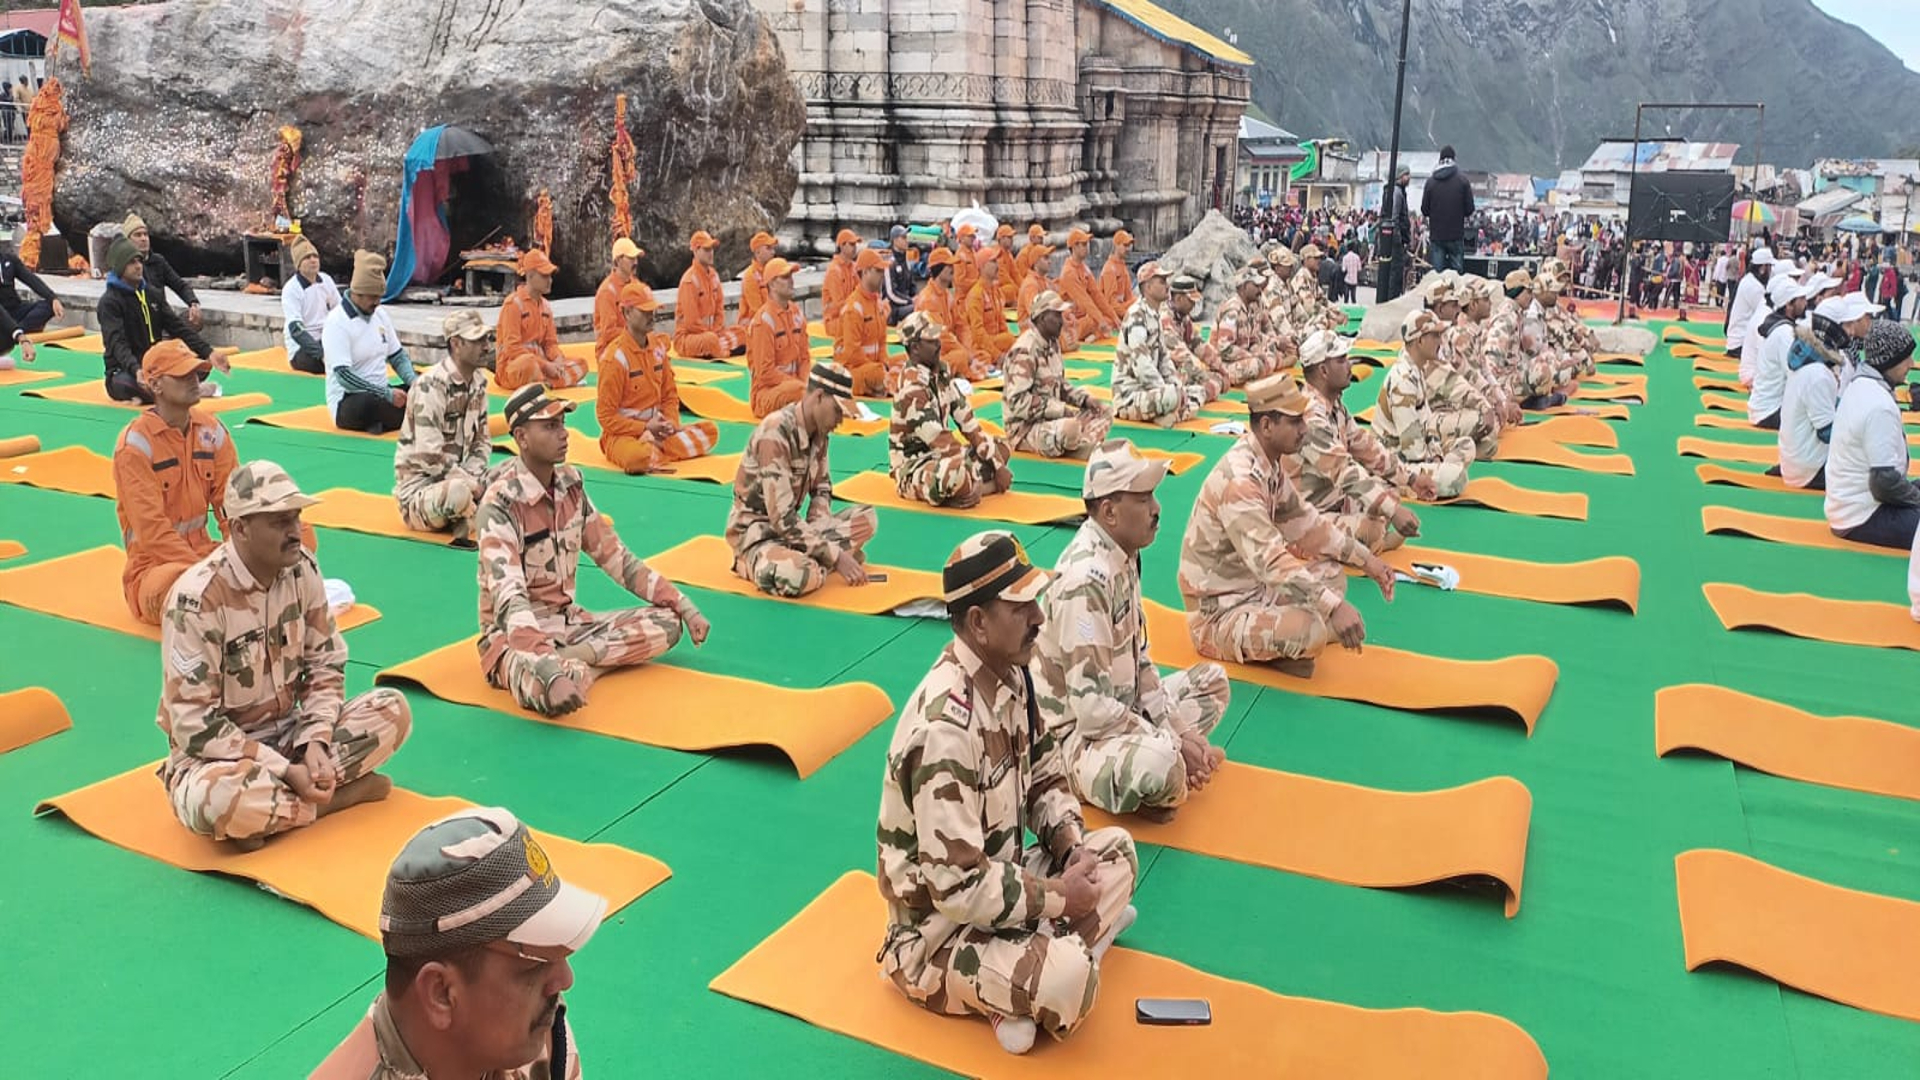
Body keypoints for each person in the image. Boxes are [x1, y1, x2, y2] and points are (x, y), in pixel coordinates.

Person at [876, 530, 1139, 1055]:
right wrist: (1065, 897)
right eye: (1021, 607)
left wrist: (1071, 847)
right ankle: (1053, 964)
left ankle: (1027, 977)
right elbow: (959, 890)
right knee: (1070, 982)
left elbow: (1045, 776)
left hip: (1006, 885)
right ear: (978, 623)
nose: (1038, 617)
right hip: (937, 936)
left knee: (1117, 854)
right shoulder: (944, 731)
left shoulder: (1013, 676)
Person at [157, 461, 411, 850]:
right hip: (220, 760)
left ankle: (276, 813)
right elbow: (193, 723)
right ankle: (331, 801)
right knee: (215, 801)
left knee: (392, 710)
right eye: (279, 522)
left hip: (290, 736)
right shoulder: (199, 600)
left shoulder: (300, 568)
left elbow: (326, 664)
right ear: (239, 528)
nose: (295, 532)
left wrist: (315, 743)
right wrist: (283, 769)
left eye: (296, 518)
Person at [310, 806, 603, 1080]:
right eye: (532, 966)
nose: (564, 979)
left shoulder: (536, 1034)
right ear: (441, 992)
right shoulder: (518, 1029)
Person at [477, 384, 712, 716]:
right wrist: (548, 670)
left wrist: (682, 604)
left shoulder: (570, 487)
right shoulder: (499, 506)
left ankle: (582, 661)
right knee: (548, 689)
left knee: (669, 622)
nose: (564, 434)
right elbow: (509, 600)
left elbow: (619, 560)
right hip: (513, 638)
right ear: (521, 437)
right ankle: (573, 668)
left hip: (570, 625)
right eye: (550, 426)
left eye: (562, 424)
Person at [1035, 439, 1230, 822]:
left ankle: (1167, 763)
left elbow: (1140, 659)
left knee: (1213, 682)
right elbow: (1090, 712)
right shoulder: (1085, 580)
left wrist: (1174, 727)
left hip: (1122, 708)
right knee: (1162, 762)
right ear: (1109, 511)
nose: (1156, 509)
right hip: (1075, 740)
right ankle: (1158, 771)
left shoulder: (1123, 554)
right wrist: (1171, 741)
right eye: (1142, 499)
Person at [1178, 375, 1395, 677]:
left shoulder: (1268, 464)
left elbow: (1307, 524)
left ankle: (1288, 644)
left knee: (1332, 576)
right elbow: (1271, 561)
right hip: (1220, 614)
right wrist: (1333, 608)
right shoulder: (1240, 482)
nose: (1304, 429)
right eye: (1295, 422)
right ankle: (1291, 645)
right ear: (1267, 426)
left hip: (1255, 590)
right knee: (1309, 628)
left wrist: (1367, 560)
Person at [726, 363, 878, 597]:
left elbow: (822, 489)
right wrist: (835, 556)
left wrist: (818, 525)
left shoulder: (820, 432)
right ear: (818, 397)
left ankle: (809, 555)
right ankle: (754, 564)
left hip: (795, 532)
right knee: (800, 574)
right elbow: (782, 519)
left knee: (867, 518)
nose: (840, 421)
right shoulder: (775, 433)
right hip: (760, 535)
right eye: (837, 411)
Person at [112, 341, 238, 624]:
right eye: (182, 375)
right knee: (179, 588)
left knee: (292, 538)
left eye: (195, 373)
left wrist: (245, 555)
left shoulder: (212, 431)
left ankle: (234, 596)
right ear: (155, 385)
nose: (194, 380)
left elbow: (234, 506)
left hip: (207, 553)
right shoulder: (135, 445)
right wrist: (207, 571)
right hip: (155, 568)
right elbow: (152, 532)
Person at [1289, 330, 1429, 551]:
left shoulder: (1334, 406)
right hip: (1306, 514)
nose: (1349, 365)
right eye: (1342, 360)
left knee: (1387, 493)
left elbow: (1367, 447)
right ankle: (1370, 541)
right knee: (1371, 528)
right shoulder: (1310, 418)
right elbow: (1344, 470)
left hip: (1333, 500)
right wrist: (1392, 511)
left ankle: (1369, 538)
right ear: (1323, 370)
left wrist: (1410, 479)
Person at [889, 311, 1012, 507]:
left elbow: (969, 424)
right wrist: (977, 474)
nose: (938, 344)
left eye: (937, 338)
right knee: (955, 471)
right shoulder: (912, 390)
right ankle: (978, 487)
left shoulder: (940, 375)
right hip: (916, 466)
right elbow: (942, 442)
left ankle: (969, 489)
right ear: (915, 348)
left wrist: (996, 464)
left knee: (999, 447)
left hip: (942, 456)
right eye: (931, 340)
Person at [394, 311, 494, 546]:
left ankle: (470, 513)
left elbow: (483, 442)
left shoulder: (478, 383)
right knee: (459, 493)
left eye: (486, 340)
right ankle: (472, 512)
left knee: (516, 473)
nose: (486, 347)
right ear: (456, 344)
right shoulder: (431, 386)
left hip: (464, 477)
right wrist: (472, 486)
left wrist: (475, 478)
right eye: (478, 340)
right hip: (422, 491)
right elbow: (430, 457)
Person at [597, 281, 719, 473]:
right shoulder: (615, 359)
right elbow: (605, 417)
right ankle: (652, 450)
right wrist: (644, 427)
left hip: (658, 430)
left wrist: (671, 423)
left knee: (711, 432)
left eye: (652, 310)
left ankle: (655, 448)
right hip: (623, 435)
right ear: (626, 313)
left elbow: (669, 395)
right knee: (636, 459)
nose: (651, 316)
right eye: (644, 311)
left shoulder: (658, 347)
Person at [1825, 318, 1920, 550]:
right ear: (1890, 359)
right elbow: (1883, 483)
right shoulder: (1879, 405)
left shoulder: (1860, 385)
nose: (1911, 364)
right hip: (1863, 515)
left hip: (1851, 506)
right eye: (1906, 357)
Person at [98, 237, 220, 404]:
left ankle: (164, 391)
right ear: (120, 268)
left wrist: (209, 352)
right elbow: (117, 344)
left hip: (155, 366)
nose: (138, 266)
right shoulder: (110, 303)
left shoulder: (152, 294)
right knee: (128, 383)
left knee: (199, 364)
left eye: (139, 261)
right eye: (131, 262)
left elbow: (177, 328)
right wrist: (136, 369)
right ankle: (185, 390)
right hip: (125, 371)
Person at [1373, 309, 1476, 498]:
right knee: (1456, 477)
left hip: (1418, 454)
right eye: (1435, 336)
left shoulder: (1417, 371)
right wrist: (1434, 462)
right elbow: (1412, 449)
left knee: (1467, 445)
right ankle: (1402, 486)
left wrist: (1436, 454)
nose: (1440, 341)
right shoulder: (1402, 380)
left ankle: (1436, 472)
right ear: (1420, 341)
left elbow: (1427, 423)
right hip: (1397, 461)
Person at [1776, 293, 1873, 490]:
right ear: (1834, 330)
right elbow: (1828, 432)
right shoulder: (1818, 374)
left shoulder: (1812, 363)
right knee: (1874, 478)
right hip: (1808, 469)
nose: (1851, 331)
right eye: (1847, 326)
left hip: (1799, 461)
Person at [1002, 290, 1111, 459]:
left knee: (1103, 411)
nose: (1062, 321)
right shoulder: (1024, 351)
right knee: (1070, 428)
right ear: (1041, 318)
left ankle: (1077, 443)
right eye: (1057, 316)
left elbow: (1060, 385)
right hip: (1025, 428)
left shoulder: (1052, 344)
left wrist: (1085, 400)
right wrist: (1060, 410)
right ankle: (1079, 442)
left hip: (1052, 420)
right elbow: (1018, 402)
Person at [323, 250, 417, 434]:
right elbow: (344, 376)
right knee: (370, 403)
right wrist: (386, 394)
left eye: (379, 297)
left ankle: (402, 416)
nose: (377, 302)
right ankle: (420, 416)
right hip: (350, 400)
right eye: (373, 297)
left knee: (426, 385)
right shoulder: (337, 322)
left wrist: (414, 382)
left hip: (383, 392)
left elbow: (397, 356)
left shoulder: (380, 315)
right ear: (358, 293)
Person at [1112, 262, 1204, 427]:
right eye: (1161, 282)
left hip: (1153, 392)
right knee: (1175, 396)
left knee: (1198, 391)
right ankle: (1173, 412)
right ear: (1147, 287)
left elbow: (1164, 359)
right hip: (1131, 395)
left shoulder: (1154, 316)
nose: (1167, 286)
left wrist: (1175, 384)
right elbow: (1142, 367)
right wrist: (1167, 390)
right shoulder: (1136, 316)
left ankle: (1168, 414)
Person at [1421, 276, 1500, 457]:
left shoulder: (1445, 336)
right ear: (1441, 308)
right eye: (1454, 305)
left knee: (1489, 443)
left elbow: (1468, 371)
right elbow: (1450, 382)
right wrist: (1485, 405)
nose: (1459, 309)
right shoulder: (1427, 338)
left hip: (1447, 408)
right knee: (1483, 420)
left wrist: (1493, 398)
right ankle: (1437, 447)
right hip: (1427, 414)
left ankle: (1446, 446)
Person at [496, 249, 582, 391]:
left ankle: (544, 384)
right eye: (544, 276)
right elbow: (512, 349)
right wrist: (545, 365)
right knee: (528, 363)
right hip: (513, 368)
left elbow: (550, 344)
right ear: (530, 276)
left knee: (581, 364)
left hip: (542, 367)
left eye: (550, 276)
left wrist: (557, 360)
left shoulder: (546, 307)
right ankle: (549, 382)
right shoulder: (513, 304)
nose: (550, 280)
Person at [745, 256, 810, 416]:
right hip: (768, 394)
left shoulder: (796, 313)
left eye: (791, 276)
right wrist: (801, 386)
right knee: (804, 392)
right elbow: (765, 373)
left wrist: (806, 382)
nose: (791, 281)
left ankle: (809, 401)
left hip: (796, 387)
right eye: (785, 277)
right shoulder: (763, 321)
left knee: (828, 377)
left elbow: (804, 358)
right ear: (772, 284)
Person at [1747, 274, 1812, 428]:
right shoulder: (1784, 333)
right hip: (1769, 411)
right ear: (1789, 305)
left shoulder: (1779, 326)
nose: (1805, 302)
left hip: (1764, 407)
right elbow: (1794, 374)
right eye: (1801, 299)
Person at [673, 230, 745, 358]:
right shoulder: (689, 281)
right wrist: (711, 335)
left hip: (713, 333)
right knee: (710, 340)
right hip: (689, 337)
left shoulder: (714, 276)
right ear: (695, 251)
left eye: (711, 249)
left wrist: (717, 331)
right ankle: (722, 350)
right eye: (706, 249)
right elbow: (692, 323)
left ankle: (718, 349)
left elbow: (719, 311)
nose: (711, 253)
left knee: (742, 332)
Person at [124, 212, 202, 329]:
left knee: (196, 319)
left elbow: (180, 285)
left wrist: (193, 303)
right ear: (128, 240)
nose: (143, 239)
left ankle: (168, 339)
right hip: (140, 324)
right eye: (138, 235)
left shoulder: (158, 261)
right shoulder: (126, 266)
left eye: (145, 234)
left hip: (163, 318)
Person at [835, 246, 895, 395]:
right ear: (866, 272)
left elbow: (882, 342)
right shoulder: (853, 308)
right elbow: (853, 353)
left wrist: (885, 363)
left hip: (873, 366)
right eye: (878, 271)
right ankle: (881, 386)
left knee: (905, 363)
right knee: (879, 374)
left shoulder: (877, 303)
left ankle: (881, 387)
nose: (883, 275)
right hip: (852, 370)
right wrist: (879, 368)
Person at [1210, 265, 1282, 384]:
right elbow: (1224, 349)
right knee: (1257, 365)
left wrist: (1262, 349)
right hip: (1223, 363)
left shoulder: (1250, 307)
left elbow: (1252, 338)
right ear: (1243, 287)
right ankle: (1224, 378)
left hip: (1241, 357)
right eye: (1255, 286)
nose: (1260, 290)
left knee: (1270, 356)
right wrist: (1250, 356)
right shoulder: (1233, 310)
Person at [912, 247, 978, 377]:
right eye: (949, 265)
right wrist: (963, 351)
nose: (952, 268)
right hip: (932, 354)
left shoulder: (947, 295)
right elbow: (939, 336)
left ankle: (962, 370)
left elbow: (962, 326)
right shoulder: (928, 299)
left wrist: (968, 349)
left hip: (949, 350)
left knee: (978, 353)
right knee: (961, 357)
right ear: (938, 268)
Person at [280, 236, 339, 374]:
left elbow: (340, 311)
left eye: (315, 256)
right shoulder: (291, 289)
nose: (313, 260)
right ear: (299, 264)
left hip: (326, 338)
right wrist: (321, 353)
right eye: (307, 258)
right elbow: (296, 329)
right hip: (303, 349)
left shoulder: (326, 280)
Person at [1059, 229, 1121, 338]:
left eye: (1087, 244)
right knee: (1097, 320)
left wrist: (1114, 316)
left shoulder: (1084, 268)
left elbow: (1096, 295)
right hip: (1071, 321)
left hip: (1084, 317)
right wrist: (1100, 320)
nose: (1087, 247)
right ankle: (1092, 334)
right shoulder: (1069, 272)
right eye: (1083, 244)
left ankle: (1094, 333)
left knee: (1109, 319)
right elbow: (1083, 299)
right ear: (1074, 247)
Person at [1421, 147, 1474, 274]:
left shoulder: (1430, 182)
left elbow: (1424, 210)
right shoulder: (1463, 180)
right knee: (1457, 276)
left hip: (1437, 235)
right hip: (1456, 235)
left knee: (1438, 276)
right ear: (1454, 159)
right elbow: (1469, 209)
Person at [0, 230, 63, 333]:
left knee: (48, 305)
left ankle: (18, 330)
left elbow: (31, 280)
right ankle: (16, 330)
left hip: (15, 310)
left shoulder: (9, 260)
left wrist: (52, 297)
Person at [963, 248, 1015, 370]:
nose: (997, 265)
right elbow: (978, 334)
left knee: (1013, 340)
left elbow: (1002, 324)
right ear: (982, 267)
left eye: (997, 261)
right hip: (980, 346)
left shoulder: (995, 291)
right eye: (993, 261)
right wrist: (997, 355)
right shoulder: (976, 295)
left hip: (995, 342)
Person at [591, 237, 645, 355]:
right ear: (618, 261)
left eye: (636, 258)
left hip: (633, 344)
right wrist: (637, 334)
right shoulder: (607, 291)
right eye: (631, 258)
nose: (635, 262)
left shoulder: (636, 284)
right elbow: (609, 333)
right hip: (611, 351)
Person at [1725, 245, 1775, 359]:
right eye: (1770, 267)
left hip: (1738, 341)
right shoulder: (1754, 287)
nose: (1771, 271)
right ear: (1762, 268)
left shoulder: (1749, 280)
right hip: (1740, 344)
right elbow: (1767, 315)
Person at [821, 228, 861, 327]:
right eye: (851, 244)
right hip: (834, 320)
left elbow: (860, 292)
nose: (855, 248)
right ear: (842, 246)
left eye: (855, 244)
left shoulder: (854, 267)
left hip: (850, 315)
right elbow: (839, 304)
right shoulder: (834, 270)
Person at [738, 231, 777, 324]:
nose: (773, 252)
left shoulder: (774, 271)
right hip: (754, 325)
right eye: (768, 248)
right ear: (757, 252)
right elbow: (757, 311)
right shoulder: (750, 276)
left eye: (773, 248)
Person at [883, 225, 918, 322]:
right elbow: (891, 294)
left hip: (905, 304)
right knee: (918, 309)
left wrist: (918, 298)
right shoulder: (888, 262)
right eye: (903, 237)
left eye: (907, 237)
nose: (907, 240)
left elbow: (912, 285)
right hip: (893, 309)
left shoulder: (906, 260)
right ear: (894, 240)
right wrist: (910, 301)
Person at [1100, 230, 1135, 316]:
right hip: (1109, 314)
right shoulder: (1110, 269)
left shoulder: (1122, 267)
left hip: (1120, 308)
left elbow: (1129, 296)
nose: (1128, 249)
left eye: (1129, 246)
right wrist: (1127, 315)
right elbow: (1111, 304)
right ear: (1116, 245)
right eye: (1125, 245)